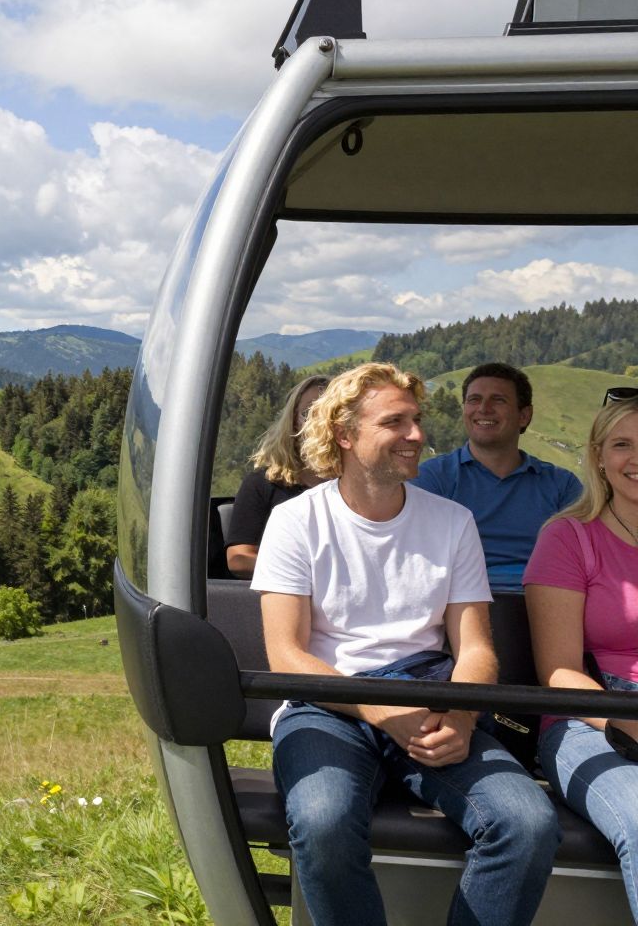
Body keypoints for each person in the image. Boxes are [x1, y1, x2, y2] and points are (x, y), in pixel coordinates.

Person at [253, 362, 559, 926]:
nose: (417, 435)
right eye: (395, 422)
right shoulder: (296, 522)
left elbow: (475, 647)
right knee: (322, 822)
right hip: (327, 705)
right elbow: (287, 656)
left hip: (431, 699)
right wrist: (380, 710)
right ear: (345, 435)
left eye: (416, 420)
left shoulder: (452, 522)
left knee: (527, 823)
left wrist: (462, 717)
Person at [526, 388, 638, 917]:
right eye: (622, 444)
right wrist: (628, 722)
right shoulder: (570, 539)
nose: (636, 459)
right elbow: (560, 671)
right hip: (592, 716)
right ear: (598, 455)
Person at [416, 362, 581, 589]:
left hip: (542, 597)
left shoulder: (562, 486)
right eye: (474, 400)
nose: (484, 408)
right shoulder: (433, 479)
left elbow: (584, 558)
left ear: (524, 415)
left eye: (498, 400)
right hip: (459, 598)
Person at [225, 374, 329, 578]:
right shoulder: (263, 484)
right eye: (309, 413)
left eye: (329, 413)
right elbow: (238, 559)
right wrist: (308, 571)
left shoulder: (357, 487)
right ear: (293, 422)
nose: (320, 422)